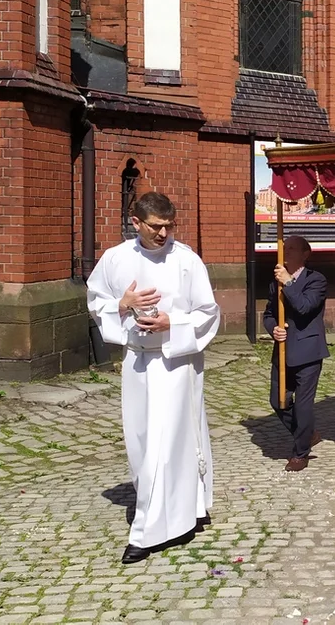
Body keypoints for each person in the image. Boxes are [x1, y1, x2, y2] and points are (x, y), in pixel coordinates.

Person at [86, 192, 221, 564]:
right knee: (143, 444)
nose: (163, 234)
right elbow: (95, 300)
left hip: (176, 364)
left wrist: (170, 323)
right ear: (136, 222)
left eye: (169, 227)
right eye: (156, 227)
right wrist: (122, 305)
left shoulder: (186, 260)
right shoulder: (115, 259)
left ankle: (147, 531)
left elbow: (208, 313)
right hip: (137, 363)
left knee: (169, 443)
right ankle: (187, 506)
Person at [261, 236, 328, 473]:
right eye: (284, 248)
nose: (286, 252)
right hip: (283, 349)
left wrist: (289, 283)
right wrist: (273, 329)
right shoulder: (275, 282)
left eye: (291, 249)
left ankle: (300, 453)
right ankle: (307, 434)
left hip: (308, 351)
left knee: (303, 405)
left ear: (305, 254)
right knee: (278, 401)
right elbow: (269, 313)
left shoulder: (316, 280)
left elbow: (304, 306)